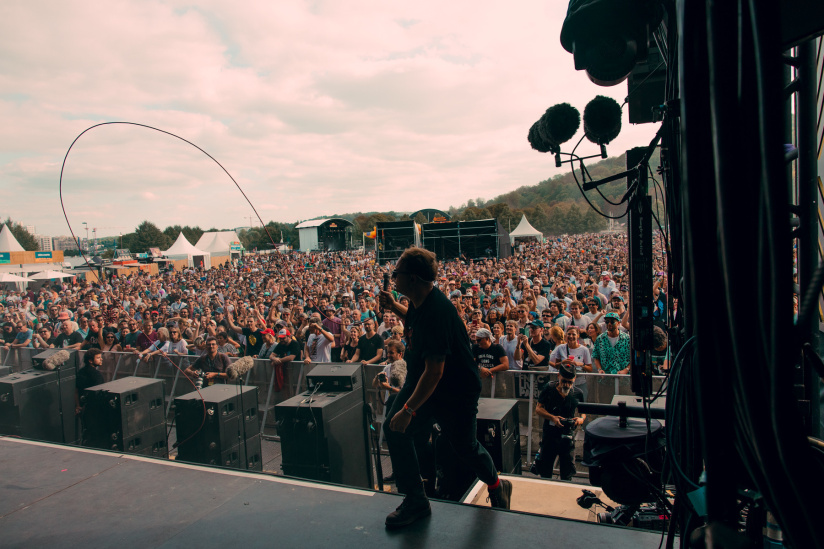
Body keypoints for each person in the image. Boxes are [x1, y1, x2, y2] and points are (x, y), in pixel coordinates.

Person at [378, 247, 511, 528]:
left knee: (466, 447)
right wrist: (394, 307)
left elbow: (435, 371)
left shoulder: (438, 311)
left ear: (412, 278)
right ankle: (416, 500)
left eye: (397, 273)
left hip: (453, 392)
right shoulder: (418, 300)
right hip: (426, 381)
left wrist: (408, 409)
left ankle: (497, 484)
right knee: (395, 430)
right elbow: (416, 323)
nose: (393, 277)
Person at [534, 365, 586, 480]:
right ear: (558, 376)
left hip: (567, 435)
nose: (566, 385)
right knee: (545, 470)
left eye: (570, 382)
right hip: (550, 434)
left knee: (567, 472)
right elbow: (538, 409)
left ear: (574, 379)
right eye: (564, 381)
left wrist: (580, 419)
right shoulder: (549, 388)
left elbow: (584, 412)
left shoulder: (578, 393)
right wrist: (552, 418)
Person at [549, 326, 593, 400]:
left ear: (578, 336)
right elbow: (556, 366)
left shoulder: (584, 350)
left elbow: (590, 369)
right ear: (566, 335)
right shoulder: (560, 348)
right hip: (564, 383)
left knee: (580, 405)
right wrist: (563, 362)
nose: (571, 336)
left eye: (573, 334)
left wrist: (580, 364)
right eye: (569, 334)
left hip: (579, 382)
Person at [76, 348, 105, 417]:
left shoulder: (81, 371)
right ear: (90, 361)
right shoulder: (97, 375)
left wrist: (78, 406)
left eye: (101, 357)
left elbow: (76, 390)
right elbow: (98, 394)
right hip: (94, 409)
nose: (101, 359)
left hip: (82, 407)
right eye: (98, 358)